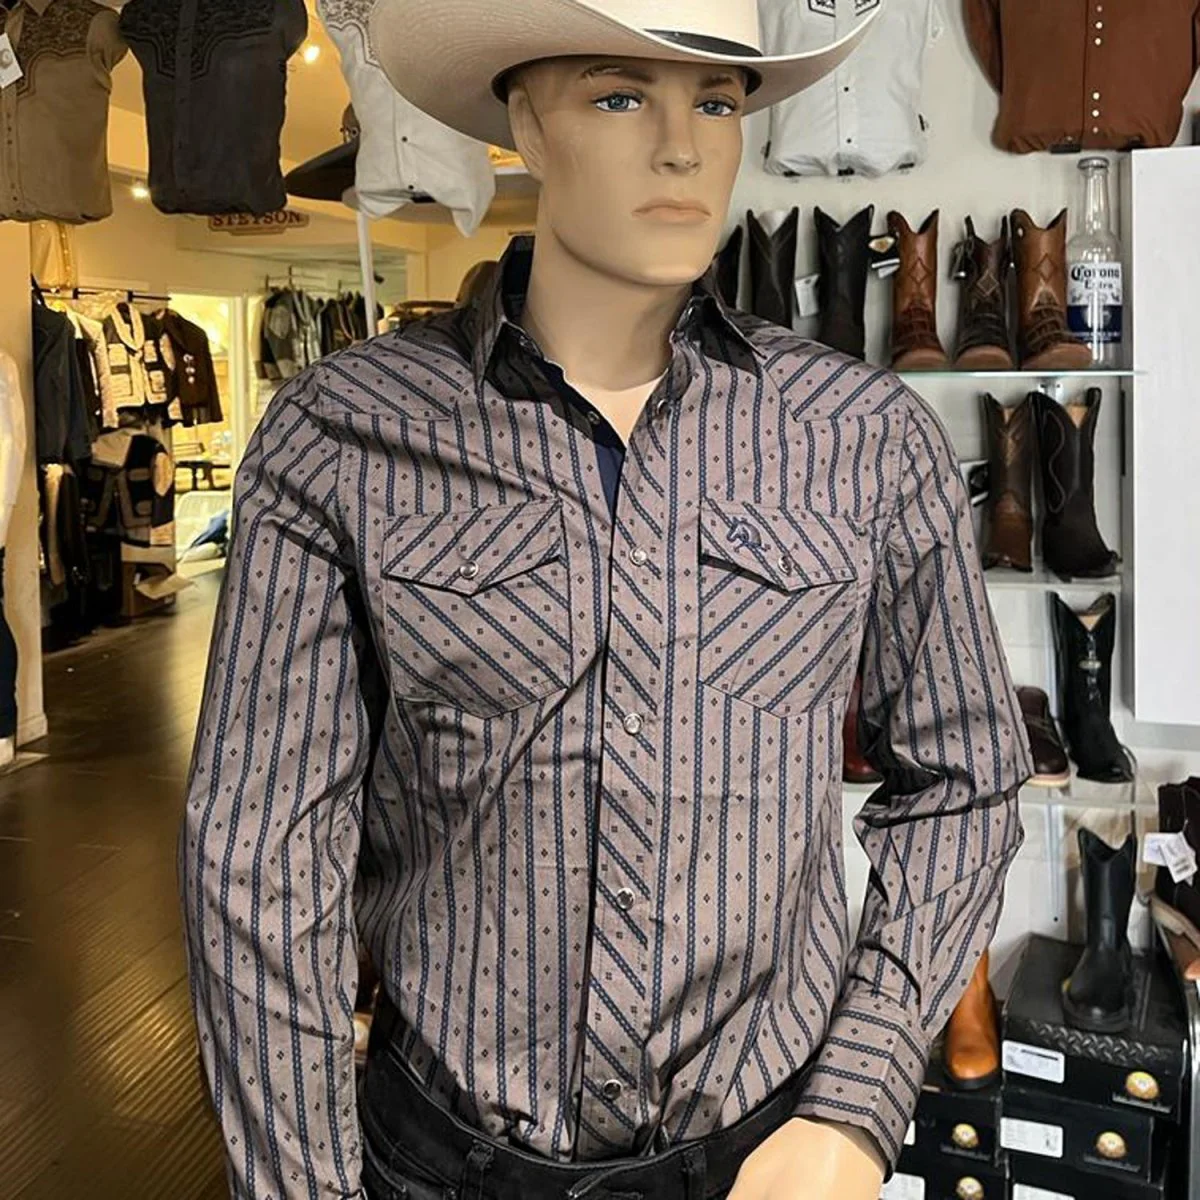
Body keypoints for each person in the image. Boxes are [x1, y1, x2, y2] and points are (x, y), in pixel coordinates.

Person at [180, 1, 1032, 1197]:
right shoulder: (345, 433)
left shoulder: (862, 437)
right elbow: (260, 855)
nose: (682, 147)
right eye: (619, 94)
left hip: (764, 1160)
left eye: (717, 102)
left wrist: (855, 1102)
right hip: (443, 1159)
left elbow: (967, 777)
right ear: (525, 121)